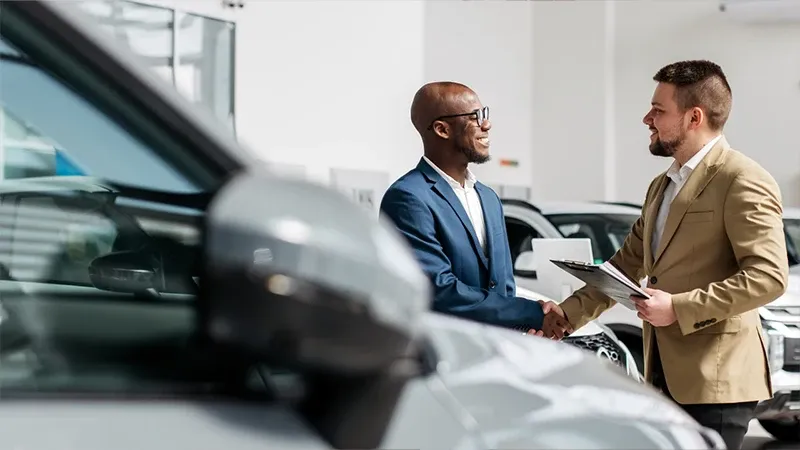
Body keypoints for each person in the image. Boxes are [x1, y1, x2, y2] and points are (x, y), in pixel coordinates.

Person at [540, 60, 788, 450]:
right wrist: (565, 315)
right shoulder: (662, 185)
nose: (646, 118)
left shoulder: (742, 179)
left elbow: (768, 277)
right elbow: (625, 265)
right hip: (662, 372)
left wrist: (679, 307)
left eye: (658, 109)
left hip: (716, 383)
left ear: (694, 117)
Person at [379, 81, 568, 333]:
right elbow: (439, 291)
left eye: (485, 114)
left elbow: (503, 285)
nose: (486, 124)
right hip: (446, 354)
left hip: (498, 351)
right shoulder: (408, 197)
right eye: (475, 117)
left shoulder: (488, 198)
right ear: (442, 129)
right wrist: (531, 314)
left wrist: (523, 328)